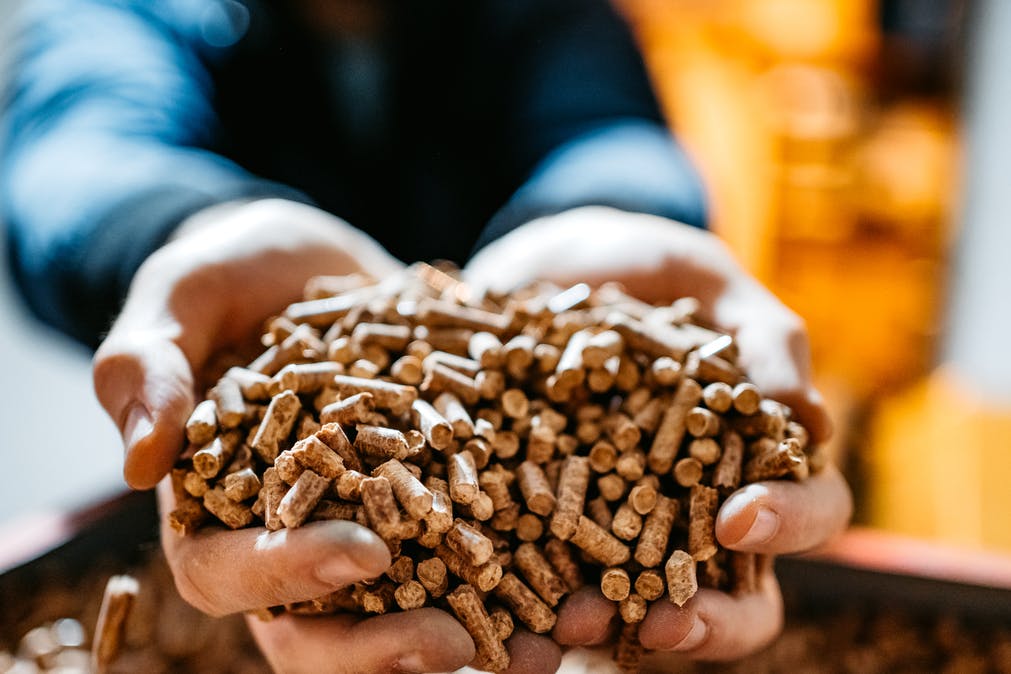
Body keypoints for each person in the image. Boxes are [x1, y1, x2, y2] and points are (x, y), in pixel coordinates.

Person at [1, 0, 852, 672]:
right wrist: (183, 231)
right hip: (267, 525)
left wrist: (612, 221)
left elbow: (608, 133)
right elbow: (73, 161)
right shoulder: (128, 10)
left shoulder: (548, 16)